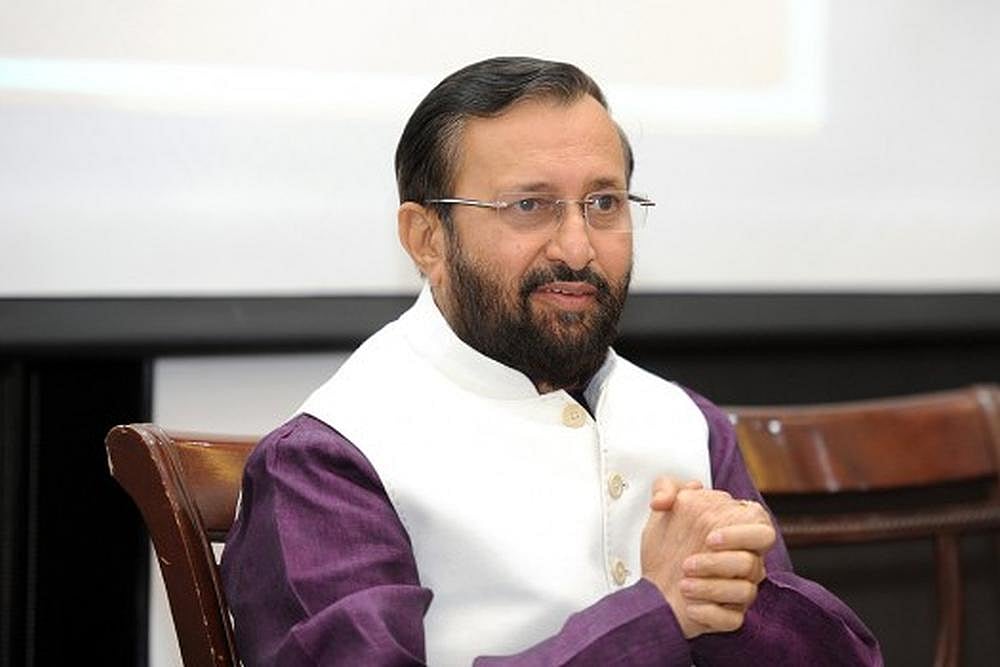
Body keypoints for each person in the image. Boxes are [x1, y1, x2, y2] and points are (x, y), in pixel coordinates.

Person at [221, 56, 882, 666]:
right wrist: (654, 613)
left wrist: (749, 597)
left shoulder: (690, 424)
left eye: (604, 203)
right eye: (529, 206)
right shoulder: (327, 461)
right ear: (426, 239)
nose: (577, 247)